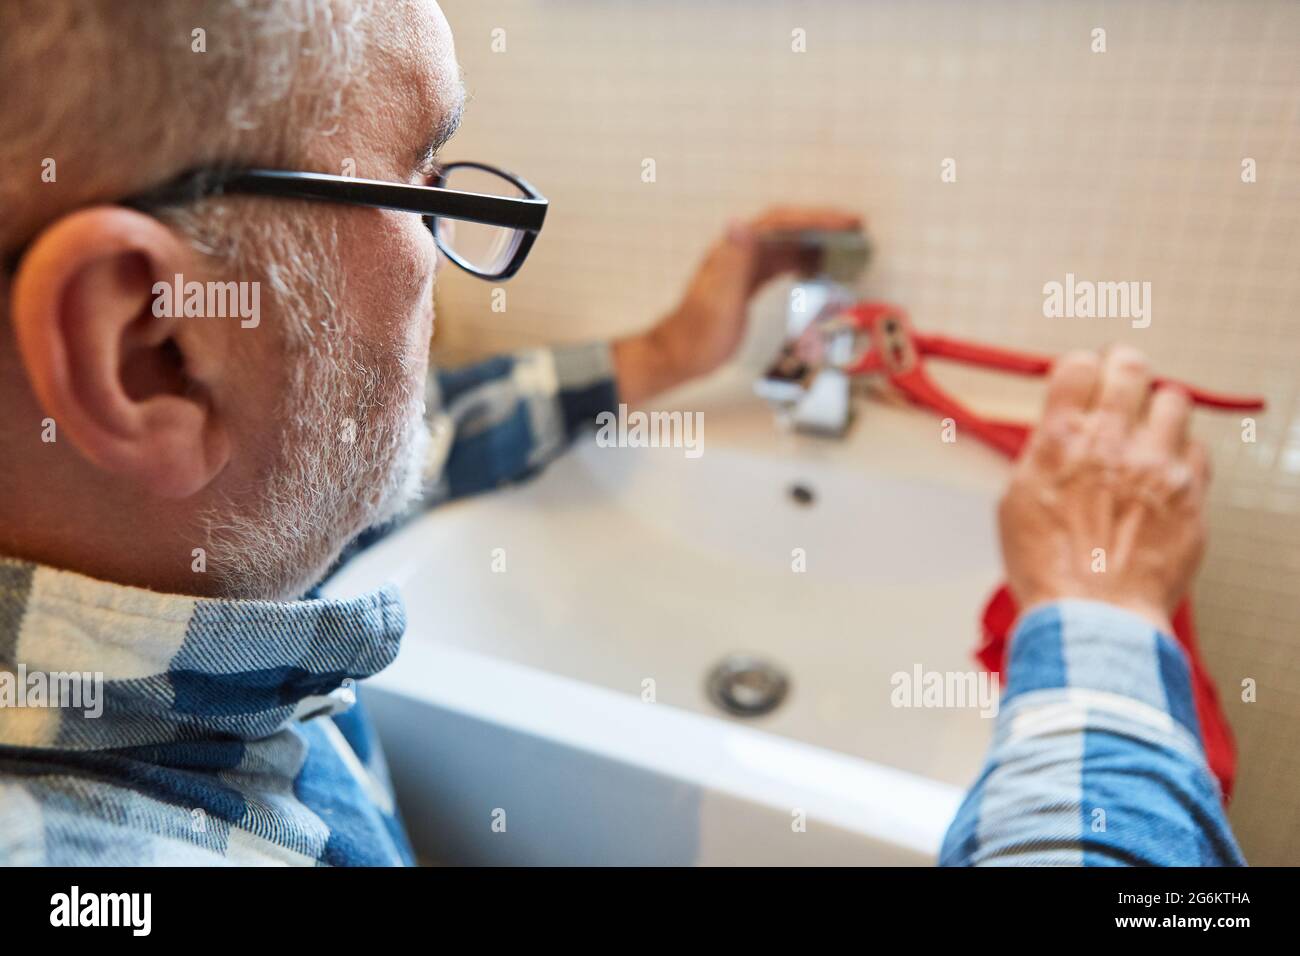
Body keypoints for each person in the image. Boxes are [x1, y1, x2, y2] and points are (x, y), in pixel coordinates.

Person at [0, 0, 1241, 866]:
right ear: (151, 344)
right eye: (423, 182)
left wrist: (659, 358)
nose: (456, 261)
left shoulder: (133, 534)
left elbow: (364, 451)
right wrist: (1099, 611)